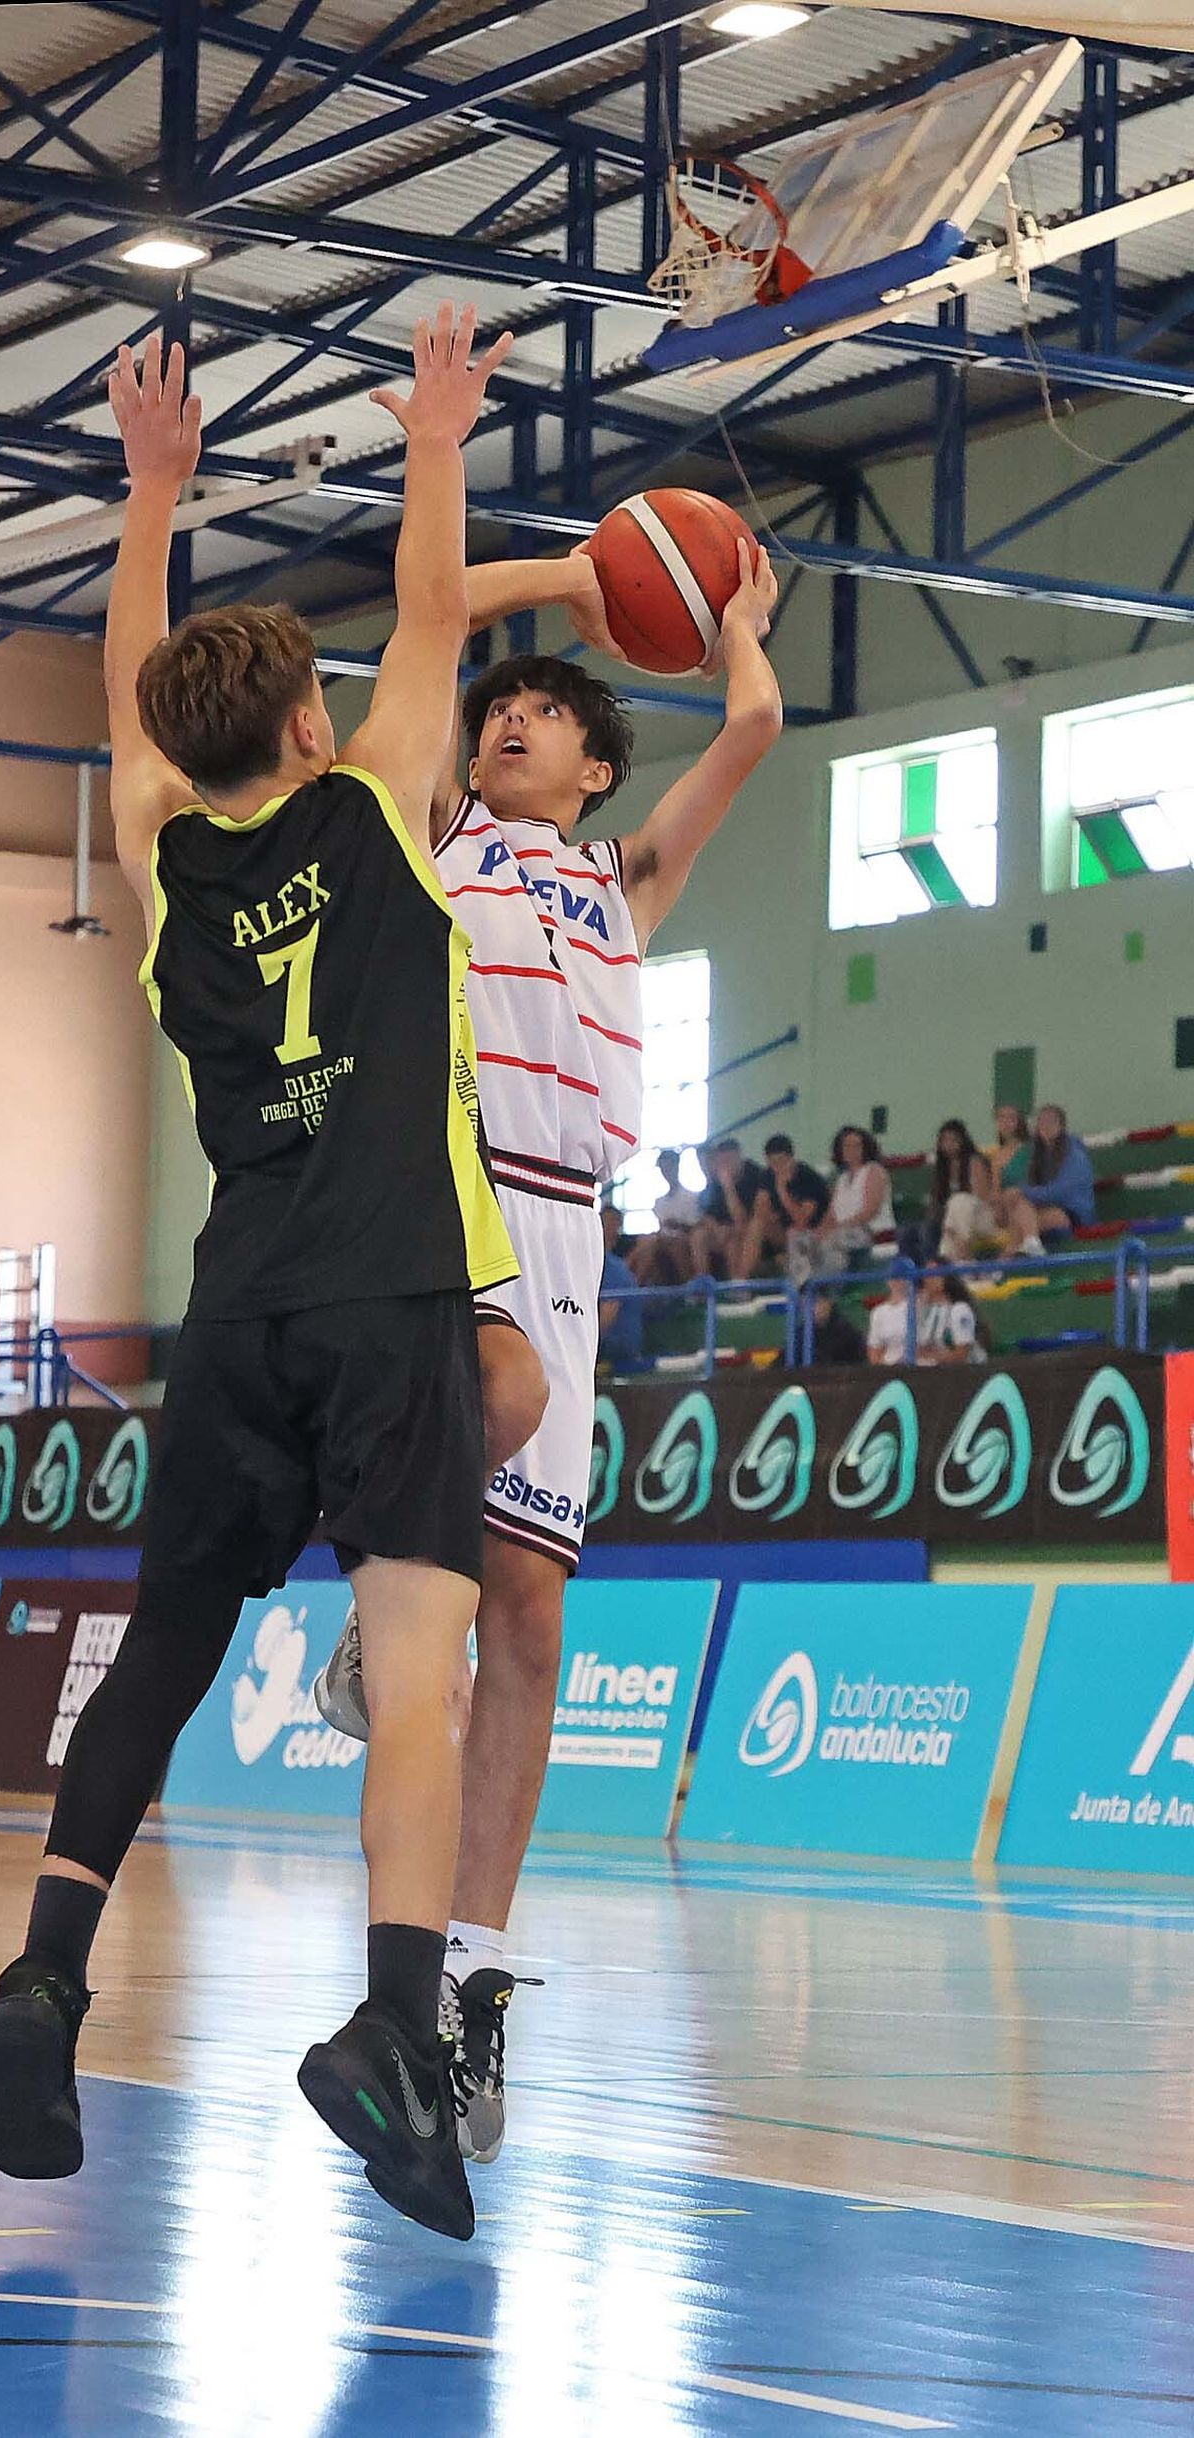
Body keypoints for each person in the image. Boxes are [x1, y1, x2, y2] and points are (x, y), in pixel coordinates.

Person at [0, 307, 522, 2246]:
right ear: (307, 724)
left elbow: (136, 714)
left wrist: (149, 500)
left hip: (232, 1316)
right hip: (386, 1301)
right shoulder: (377, 805)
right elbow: (434, 599)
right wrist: (435, 435)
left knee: (163, 1654)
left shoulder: (164, 867)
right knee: (422, 1676)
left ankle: (43, 1966)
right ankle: (386, 2028)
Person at [317, 530, 783, 2165]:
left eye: (544, 715)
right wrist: (566, 579)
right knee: (442, 1544)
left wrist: (730, 625)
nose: (510, 720)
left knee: (528, 1611)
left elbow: (755, 732)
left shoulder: (622, 878)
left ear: (595, 766)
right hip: (439, 1203)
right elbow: (431, 624)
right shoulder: (441, 829)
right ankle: (375, 1612)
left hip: (573, 1230)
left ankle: (473, 1968)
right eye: (500, 707)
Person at [787, 1124, 895, 1284]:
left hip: (870, 1231)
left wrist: (837, 1228)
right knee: (798, 1238)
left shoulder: (874, 1171)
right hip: (843, 1231)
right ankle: (802, 1288)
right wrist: (818, 1232)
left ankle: (827, 1290)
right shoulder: (842, 1179)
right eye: (846, 1146)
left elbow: (871, 1210)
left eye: (856, 1145)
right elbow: (831, 1215)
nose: (851, 1150)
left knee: (832, 1240)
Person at [999, 1101, 1095, 1253]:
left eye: (1051, 1121)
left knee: (1021, 1218)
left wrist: (1024, 1192)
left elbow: (1062, 1193)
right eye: (1041, 1121)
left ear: (1061, 1125)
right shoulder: (1037, 1155)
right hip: (1044, 1211)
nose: (1045, 1125)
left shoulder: (1075, 1155)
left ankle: (1007, 1261)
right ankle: (1030, 1244)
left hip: (1073, 1215)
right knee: (1018, 1204)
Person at [745, 1131, 829, 1277]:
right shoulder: (767, 1175)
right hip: (782, 1232)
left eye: (781, 1161)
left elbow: (802, 1221)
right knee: (755, 1224)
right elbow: (760, 1208)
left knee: (794, 1231)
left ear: (791, 1158)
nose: (777, 1167)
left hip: (811, 1234)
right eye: (772, 1163)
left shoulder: (808, 1177)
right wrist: (769, 1215)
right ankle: (740, 1282)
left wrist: (782, 1190)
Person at [690, 1136, 770, 1281]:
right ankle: (703, 1284)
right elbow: (708, 1215)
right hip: (729, 1231)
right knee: (698, 1236)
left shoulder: (756, 1175)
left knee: (733, 1242)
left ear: (739, 1157)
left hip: (757, 1231)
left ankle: (739, 1285)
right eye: (722, 1163)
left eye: (729, 1161)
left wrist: (729, 1189)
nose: (726, 1166)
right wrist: (717, 1229)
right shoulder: (716, 1181)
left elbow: (743, 1221)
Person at [923, 1118, 997, 1263]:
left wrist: (952, 1213)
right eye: (944, 1140)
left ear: (963, 1141)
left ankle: (963, 1256)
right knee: (924, 1228)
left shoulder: (974, 1161)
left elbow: (981, 1198)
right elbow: (936, 1202)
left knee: (960, 1201)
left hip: (982, 1217)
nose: (949, 1144)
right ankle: (943, 1267)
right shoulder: (942, 1168)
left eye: (953, 1140)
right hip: (954, 1221)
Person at [628, 1148, 703, 1289]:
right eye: (664, 1167)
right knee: (646, 1241)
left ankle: (690, 1286)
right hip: (663, 1240)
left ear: (677, 1166)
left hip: (685, 1240)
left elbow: (695, 1226)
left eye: (669, 1166)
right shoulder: (659, 1202)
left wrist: (677, 1225)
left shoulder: (692, 1197)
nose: (667, 1171)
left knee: (668, 1243)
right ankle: (634, 1285)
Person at [597, 1201, 644, 1371]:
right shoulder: (593, 1263)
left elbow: (607, 1318)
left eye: (612, 1224)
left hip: (618, 1347)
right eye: (604, 1223)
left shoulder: (614, 1269)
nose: (607, 1228)